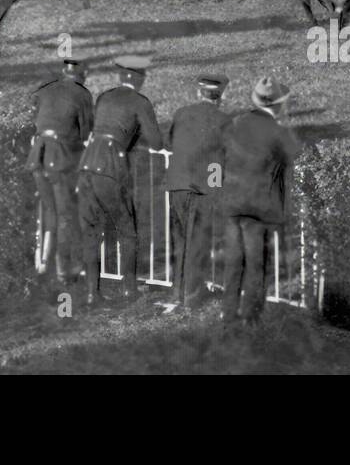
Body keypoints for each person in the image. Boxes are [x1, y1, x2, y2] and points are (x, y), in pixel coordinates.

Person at [77, 55, 163, 304]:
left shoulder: (105, 96)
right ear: (139, 78)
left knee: (91, 231)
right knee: (127, 230)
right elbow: (156, 142)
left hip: (87, 164)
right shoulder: (140, 102)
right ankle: (129, 289)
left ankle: (93, 293)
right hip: (111, 168)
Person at [219, 77, 301, 324]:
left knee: (234, 261)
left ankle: (228, 311)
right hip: (258, 207)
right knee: (257, 264)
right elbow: (294, 154)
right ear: (277, 105)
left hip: (233, 203)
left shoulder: (235, 123)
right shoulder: (278, 132)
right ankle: (250, 316)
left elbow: (217, 155)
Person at [164, 74, 230, 310]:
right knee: (197, 243)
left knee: (180, 242)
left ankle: (176, 293)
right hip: (201, 189)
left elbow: (171, 142)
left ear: (198, 93)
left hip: (177, 185)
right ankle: (191, 298)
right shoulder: (224, 120)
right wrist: (215, 189)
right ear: (221, 97)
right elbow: (225, 157)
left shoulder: (181, 113)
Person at [27, 56, 94, 285]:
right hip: (60, 160)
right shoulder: (82, 94)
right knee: (66, 215)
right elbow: (86, 134)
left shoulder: (45, 90)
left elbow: (34, 113)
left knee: (49, 213)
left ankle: (45, 265)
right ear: (83, 75)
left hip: (38, 157)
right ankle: (66, 270)